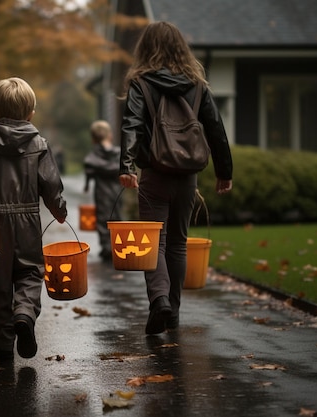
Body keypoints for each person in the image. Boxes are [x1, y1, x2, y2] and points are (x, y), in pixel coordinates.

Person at [119, 21, 233, 335]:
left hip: (154, 173)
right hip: (187, 177)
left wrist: (127, 166)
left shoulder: (141, 83)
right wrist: (225, 172)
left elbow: (131, 125)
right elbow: (216, 129)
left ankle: (158, 301)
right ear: (181, 48)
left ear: (146, 49)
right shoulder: (198, 85)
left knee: (154, 243)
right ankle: (173, 313)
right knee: (178, 245)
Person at [0, 77, 68, 360]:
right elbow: (51, 182)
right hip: (29, 220)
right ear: (30, 112)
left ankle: (3, 339)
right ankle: (24, 314)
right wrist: (59, 209)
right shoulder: (39, 144)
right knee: (31, 272)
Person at [83, 120, 123, 261]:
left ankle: (106, 247)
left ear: (93, 139)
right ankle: (118, 245)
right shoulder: (117, 153)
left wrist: (87, 184)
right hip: (117, 189)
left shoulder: (94, 155)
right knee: (117, 216)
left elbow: (89, 169)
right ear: (110, 135)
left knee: (103, 217)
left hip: (101, 190)